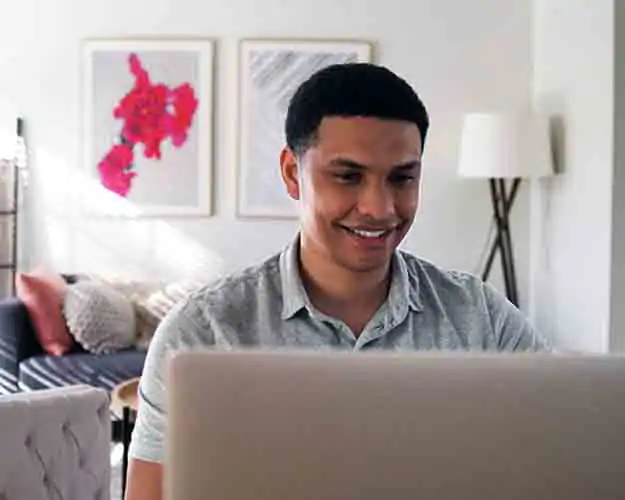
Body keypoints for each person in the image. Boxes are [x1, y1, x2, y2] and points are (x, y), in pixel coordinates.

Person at [125, 63, 551, 500]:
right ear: (292, 173)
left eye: (402, 178)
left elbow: (558, 454)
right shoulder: (202, 332)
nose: (380, 208)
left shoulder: (480, 318)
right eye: (348, 177)